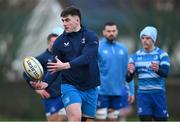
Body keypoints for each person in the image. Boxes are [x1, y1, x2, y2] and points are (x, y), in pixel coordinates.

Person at [38, 6, 100, 121]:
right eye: (63, 20)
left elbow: (87, 57)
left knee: (87, 120)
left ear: (77, 20)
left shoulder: (91, 36)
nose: (64, 24)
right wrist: (45, 83)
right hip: (70, 85)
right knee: (75, 117)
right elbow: (55, 66)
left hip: (91, 86)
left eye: (67, 20)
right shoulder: (59, 42)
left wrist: (66, 65)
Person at [126, 26, 170, 121]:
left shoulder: (162, 55)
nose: (144, 40)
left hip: (158, 95)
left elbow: (165, 73)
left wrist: (158, 69)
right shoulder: (134, 57)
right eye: (142, 38)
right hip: (143, 96)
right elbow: (128, 79)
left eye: (147, 38)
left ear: (153, 39)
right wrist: (130, 73)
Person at [23, 27, 67, 121]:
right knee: (53, 120)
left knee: (66, 118)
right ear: (48, 42)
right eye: (54, 41)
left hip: (65, 93)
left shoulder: (65, 56)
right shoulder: (41, 58)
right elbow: (26, 74)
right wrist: (37, 89)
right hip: (51, 96)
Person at [96, 22, 135, 121]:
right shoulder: (98, 47)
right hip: (101, 92)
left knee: (112, 120)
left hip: (117, 92)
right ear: (104, 32)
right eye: (108, 31)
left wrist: (131, 91)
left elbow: (128, 72)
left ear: (117, 32)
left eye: (113, 31)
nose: (111, 33)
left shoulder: (123, 49)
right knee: (101, 119)